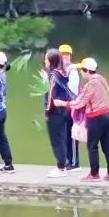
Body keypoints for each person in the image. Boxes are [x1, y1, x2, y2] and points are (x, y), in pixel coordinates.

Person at [55, 57, 109, 182]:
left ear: (87, 71)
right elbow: (106, 93)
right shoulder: (102, 79)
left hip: (97, 118)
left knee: (92, 146)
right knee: (107, 146)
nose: (81, 72)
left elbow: (79, 103)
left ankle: (94, 175)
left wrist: (62, 103)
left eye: (82, 70)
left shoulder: (90, 85)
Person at [43, 48, 74, 178]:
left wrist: (47, 111)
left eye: (46, 58)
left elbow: (51, 96)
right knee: (62, 138)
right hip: (64, 111)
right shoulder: (63, 72)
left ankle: (61, 168)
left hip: (55, 112)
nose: (44, 61)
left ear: (51, 61)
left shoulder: (52, 75)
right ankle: (63, 164)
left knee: (56, 140)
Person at [60, 44, 82, 170]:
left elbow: (72, 91)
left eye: (67, 55)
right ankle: (69, 160)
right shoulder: (60, 71)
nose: (65, 57)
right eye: (62, 55)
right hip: (63, 107)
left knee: (72, 135)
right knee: (65, 135)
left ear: (70, 56)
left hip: (72, 107)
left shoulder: (72, 71)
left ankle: (75, 163)